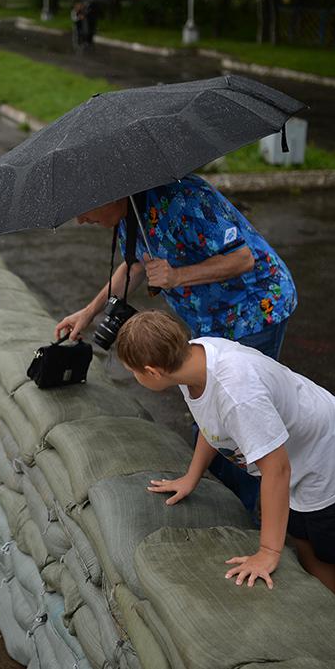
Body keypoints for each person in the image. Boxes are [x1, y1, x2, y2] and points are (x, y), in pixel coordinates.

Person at [113, 310, 335, 650]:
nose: (135, 377)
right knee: (305, 539)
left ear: (153, 372)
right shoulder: (192, 361)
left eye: (133, 373)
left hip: (327, 458)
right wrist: (191, 477)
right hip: (298, 456)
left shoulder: (237, 395)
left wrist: (268, 551)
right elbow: (212, 427)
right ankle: (323, 620)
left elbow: (276, 471)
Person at [55, 174, 297, 515]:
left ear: (110, 193)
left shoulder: (186, 199)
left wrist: (178, 277)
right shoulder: (132, 213)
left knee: (239, 416)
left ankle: (257, 514)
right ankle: (225, 496)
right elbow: (136, 264)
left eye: (83, 210)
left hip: (254, 310)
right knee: (210, 412)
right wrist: (89, 311)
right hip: (208, 319)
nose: (81, 219)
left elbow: (243, 259)